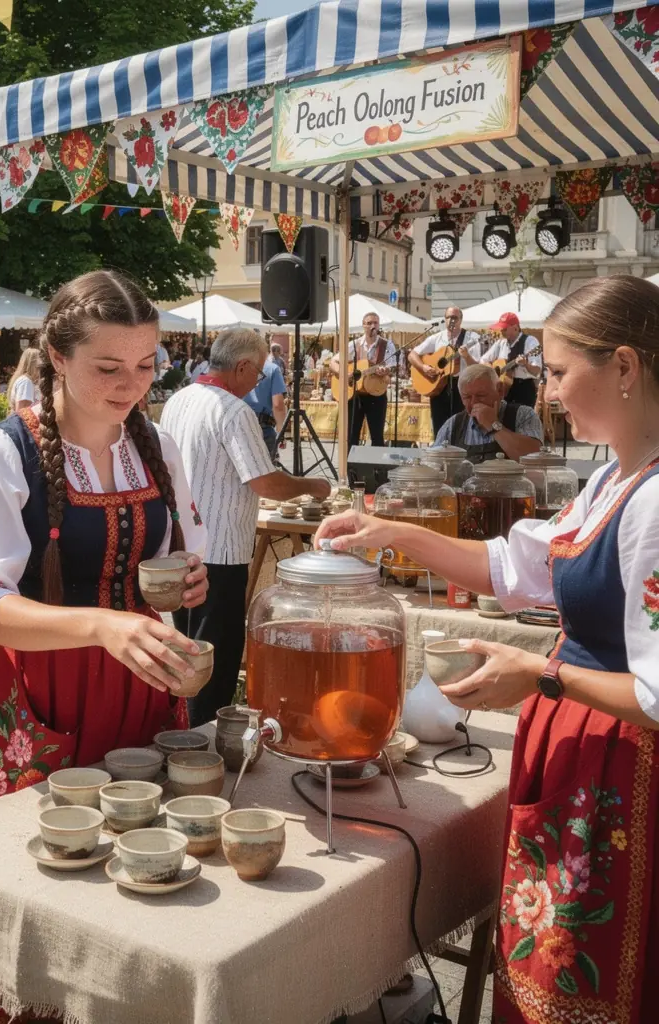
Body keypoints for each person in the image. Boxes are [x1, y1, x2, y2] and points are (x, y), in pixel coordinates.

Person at [318, 274, 659, 1024]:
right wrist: (394, 534)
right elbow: (514, 566)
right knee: (552, 963)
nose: (552, 393)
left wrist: (543, 678)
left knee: (597, 975)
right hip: (585, 758)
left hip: (628, 774)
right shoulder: (612, 481)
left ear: (626, 368)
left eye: (564, 372)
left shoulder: (655, 504)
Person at [0, 272, 208, 1022]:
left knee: (134, 884)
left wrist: (185, 582)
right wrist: (104, 623)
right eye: (109, 366)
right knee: (38, 893)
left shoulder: (158, 443)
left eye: (146, 365)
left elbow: (179, 551)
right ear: (57, 358)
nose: (131, 383)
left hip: (137, 686)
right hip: (32, 697)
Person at [162, 328, 332, 726]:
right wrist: (313, 486)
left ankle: (183, 731)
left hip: (183, 546)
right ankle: (204, 741)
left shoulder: (178, 399)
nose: (259, 381)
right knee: (214, 657)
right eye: (258, 373)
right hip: (220, 552)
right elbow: (266, 482)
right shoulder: (233, 411)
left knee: (187, 652)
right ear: (240, 367)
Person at [434, 363, 543, 463]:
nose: (474, 402)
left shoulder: (523, 415)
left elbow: (534, 460)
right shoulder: (453, 424)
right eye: (467, 397)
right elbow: (433, 463)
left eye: (481, 395)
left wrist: (493, 425)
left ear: (500, 390)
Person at [409, 306, 482, 435]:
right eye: (448, 317)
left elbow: (476, 367)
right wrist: (424, 367)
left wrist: (466, 356)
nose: (451, 321)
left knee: (460, 427)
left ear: (461, 319)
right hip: (438, 386)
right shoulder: (437, 337)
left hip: (462, 386)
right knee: (439, 426)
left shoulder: (472, 338)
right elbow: (412, 355)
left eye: (454, 317)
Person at [331, 312, 395, 449]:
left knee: (377, 436)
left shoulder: (387, 345)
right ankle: (350, 468)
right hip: (355, 395)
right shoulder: (354, 344)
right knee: (351, 435)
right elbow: (333, 362)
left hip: (376, 394)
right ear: (363, 326)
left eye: (375, 323)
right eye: (369, 323)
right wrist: (345, 374)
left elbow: (392, 367)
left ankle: (377, 469)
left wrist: (386, 370)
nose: (373, 326)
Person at [480, 312, 542, 408]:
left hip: (523, 389)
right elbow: (483, 360)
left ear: (515, 328)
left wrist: (525, 364)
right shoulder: (501, 343)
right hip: (503, 389)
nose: (502, 331)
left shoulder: (530, 341)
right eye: (502, 328)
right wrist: (492, 370)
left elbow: (537, 371)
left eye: (505, 328)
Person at [242, 344, 287, 462]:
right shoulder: (272, 369)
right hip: (263, 427)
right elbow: (278, 405)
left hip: (239, 424)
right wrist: (281, 431)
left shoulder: (236, 368)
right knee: (267, 471)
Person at [5, 346, 41, 412]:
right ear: (33, 365)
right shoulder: (26, 382)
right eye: (39, 366)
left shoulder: (24, 380)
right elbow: (22, 412)